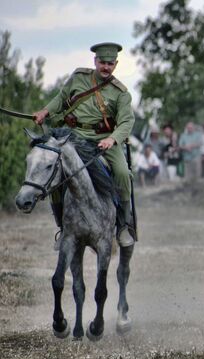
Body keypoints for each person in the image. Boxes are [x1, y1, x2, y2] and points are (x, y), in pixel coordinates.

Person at [33, 42, 136, 249]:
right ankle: (63, 227)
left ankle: (123, 225)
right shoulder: (79, 77)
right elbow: (61, 99)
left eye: (110, 63)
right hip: (73, 135)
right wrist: (45, 111)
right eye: (102, 62)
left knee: (123, 173)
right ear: (95, 61)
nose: (106, 67)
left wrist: (112, 139)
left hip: (104, 139)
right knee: (55, 168)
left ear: (115, 64)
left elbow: (126, 122)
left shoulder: (121, 93)